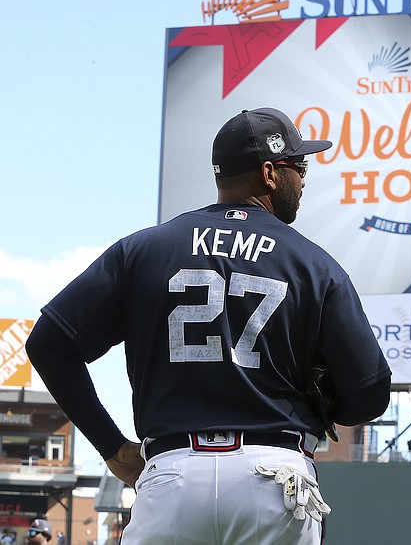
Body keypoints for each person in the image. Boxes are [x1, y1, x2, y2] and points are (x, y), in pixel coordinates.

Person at [26, 107, 392, 545]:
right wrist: (326, 407)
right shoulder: (315, 265)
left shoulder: (143, 250)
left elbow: (49, 344)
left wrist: (112, 446)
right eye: (300, 165)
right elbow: (370, 394)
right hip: (275, 476)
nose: (305, 178)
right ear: (270, 173)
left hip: (172, 474)